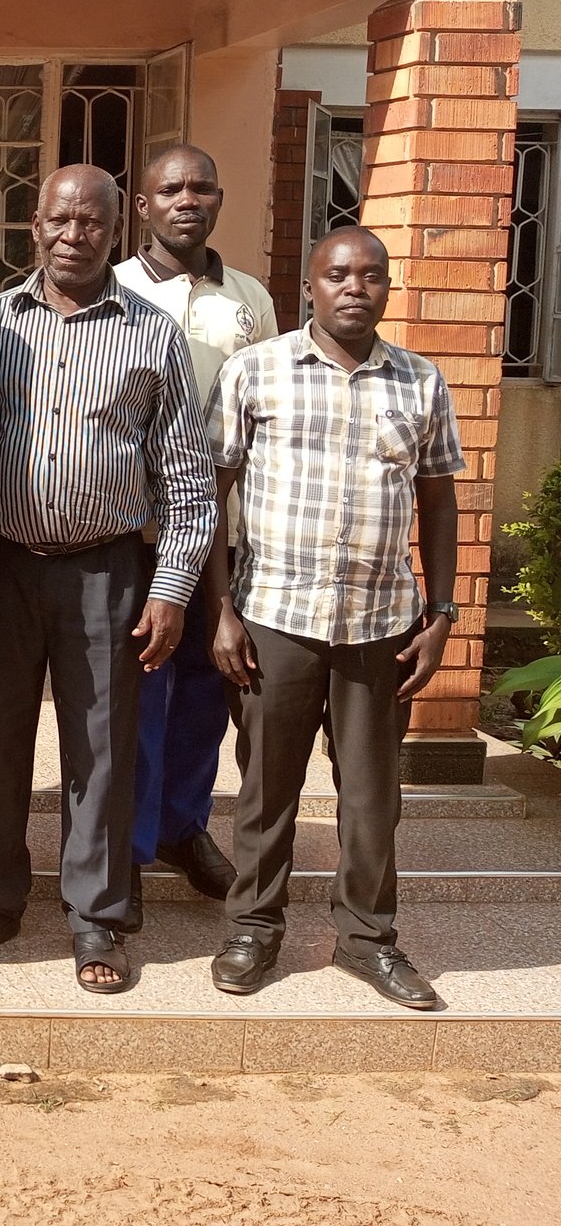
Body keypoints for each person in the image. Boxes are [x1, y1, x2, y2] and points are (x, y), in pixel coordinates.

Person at [0, 163, 215, 995]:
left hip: (106, 569)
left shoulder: (152, 334)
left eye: (91, 222)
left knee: (101, 751)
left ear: (114, 230)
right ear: (35, 226)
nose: (73, 235)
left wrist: (171, 589)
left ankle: (98, 915)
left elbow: (188, 478)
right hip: (2, 567)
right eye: (59, 220)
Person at [204, 226, 462, 1010]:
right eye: (338, 275)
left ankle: (367, 940)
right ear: (310, 287)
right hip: (274, 616)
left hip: (381, 625)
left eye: (371, 275)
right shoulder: (256, 370)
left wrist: (441, 614)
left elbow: (439, 500)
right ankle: (253, 929)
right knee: (266, 791)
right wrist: (221, 610)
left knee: (372, 799)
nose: (355, 287)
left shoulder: (421, 382)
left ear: (387, 287)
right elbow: (213, 493)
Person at [115, 145, 278, 900]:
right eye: (171, 189)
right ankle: (126, 843)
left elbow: (267, 415)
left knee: (205, 689)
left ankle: (183, 828)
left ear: (219, 199)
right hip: (131, 531)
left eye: (201, 188)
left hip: (220, 531)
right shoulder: (111, 289)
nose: (187, 200)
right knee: (136, 689)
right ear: (143, 205)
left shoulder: (249, 298)